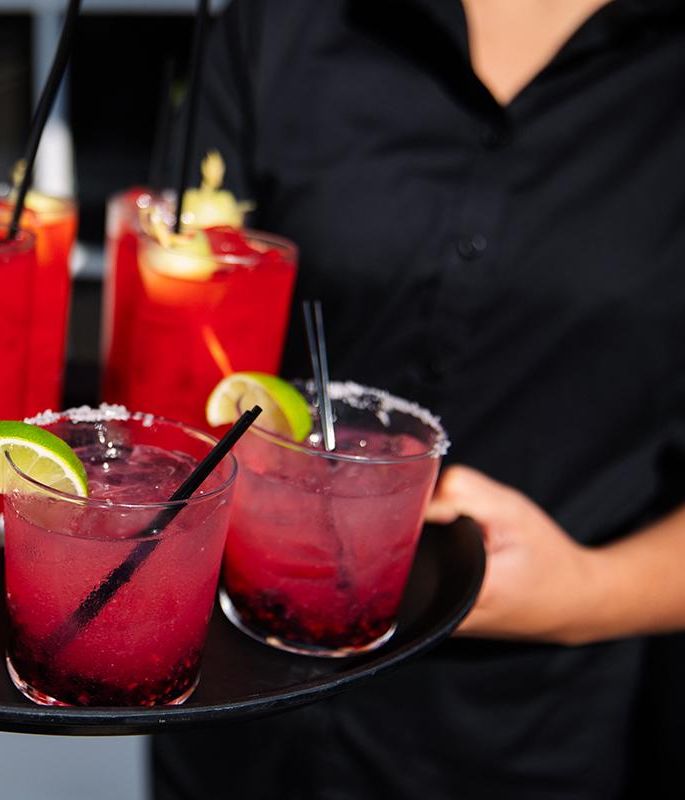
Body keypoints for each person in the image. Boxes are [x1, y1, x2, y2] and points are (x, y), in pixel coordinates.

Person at [151, 1, 685, 797]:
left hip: (531, 728)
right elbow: (179, 331)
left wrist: (590, 593)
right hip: (236, 700)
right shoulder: (282, 24)